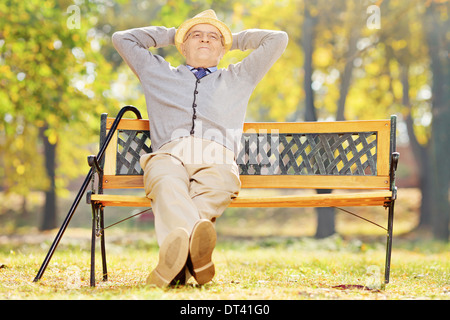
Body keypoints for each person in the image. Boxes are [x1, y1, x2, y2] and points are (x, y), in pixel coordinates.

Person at [112, 9, 288, 287]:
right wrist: (174, 33)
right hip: (169, 153)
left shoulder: (240, 76)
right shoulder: (155, 71)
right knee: (164, 180)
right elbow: (122, 38)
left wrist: (231, 38)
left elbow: (278, 39)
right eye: (196, 36)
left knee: (220, 181)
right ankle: (196, 254)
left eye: (213, 38)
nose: (205, 40)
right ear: (183, 46)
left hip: (216, 156)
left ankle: (176, 263)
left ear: (222, 48)